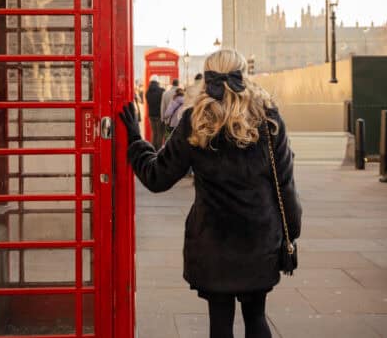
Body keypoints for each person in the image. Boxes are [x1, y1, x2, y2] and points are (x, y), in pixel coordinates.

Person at [120, 49, 302, 338]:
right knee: (256, 317)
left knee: (220, 323)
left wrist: (134, 140)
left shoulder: (196, 121)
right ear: (243, 75)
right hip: (260, 239)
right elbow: (286, 183)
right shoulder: (268, 120)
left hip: (213, 243)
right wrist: (291, 233)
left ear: (207, 77)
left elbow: (157, 177)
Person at [145, 75, 165, 150]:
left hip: (151, 115)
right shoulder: (162, 90)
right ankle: (159, 150)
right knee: (160, 133)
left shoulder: (147, 92)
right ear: (157, 82)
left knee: (154, 133)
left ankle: (153, 148)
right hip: (159, 115)